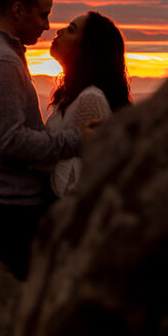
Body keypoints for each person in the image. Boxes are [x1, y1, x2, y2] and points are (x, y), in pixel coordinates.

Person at [0, 0, 88, 279]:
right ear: (18, 10)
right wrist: (78, 139)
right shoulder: (2, 62)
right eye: (43, 15)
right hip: (8, 210)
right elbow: (9, 142)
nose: (46, 25)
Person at [46, 11, 132, 197]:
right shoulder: (70, 96)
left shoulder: (90, 98)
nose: (58, 31)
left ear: (87, 47)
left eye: (71, 30)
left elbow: (98, 167)